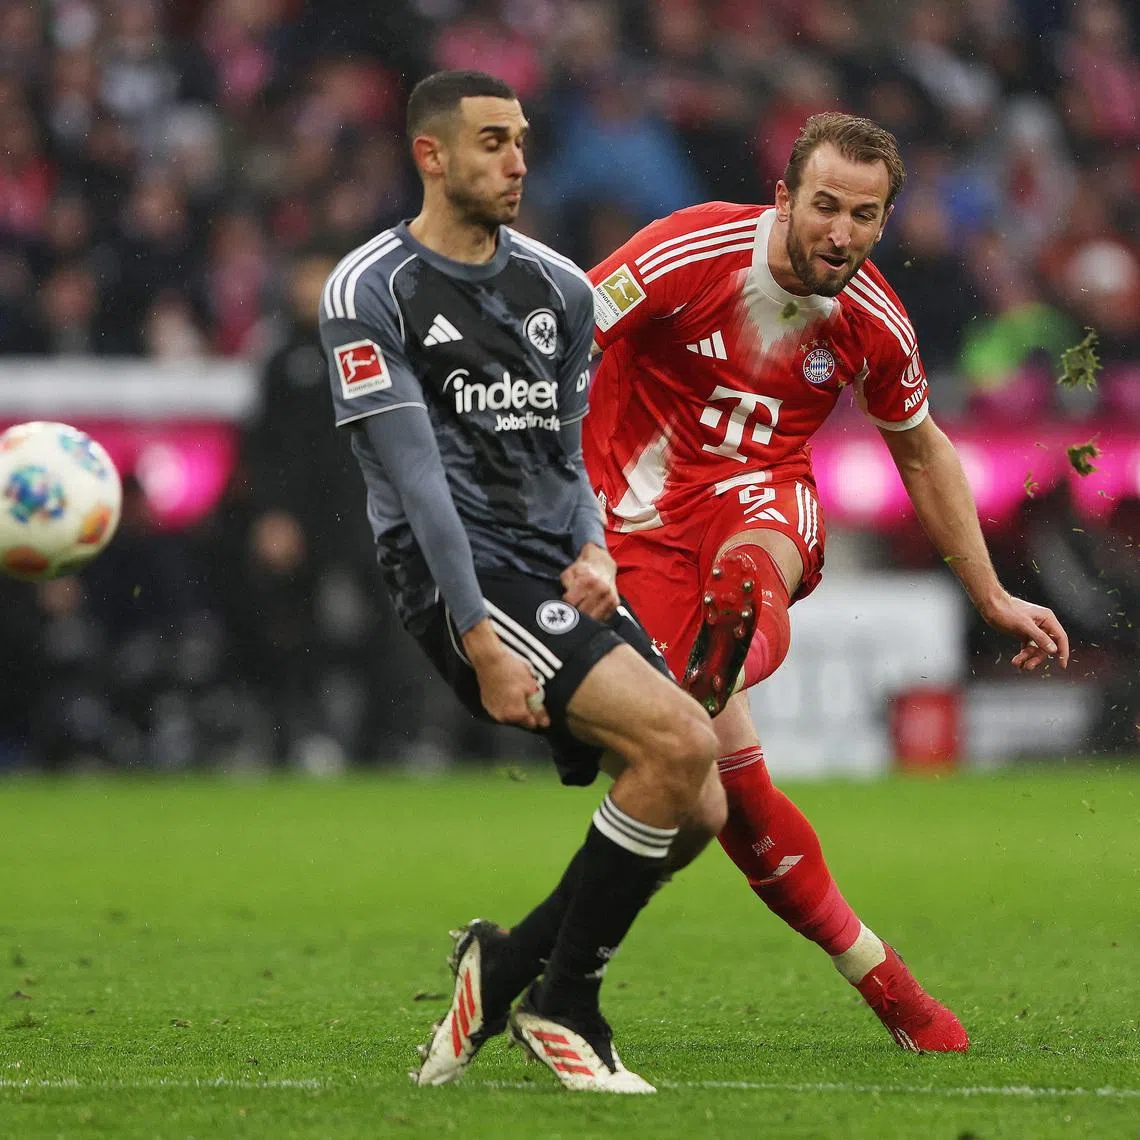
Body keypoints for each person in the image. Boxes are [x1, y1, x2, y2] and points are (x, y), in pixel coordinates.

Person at [581, 112, 1071, 1053]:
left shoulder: (873, 318)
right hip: (632, 531)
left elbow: (923, 455)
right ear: (785, 199)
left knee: (759, 561)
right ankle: (885, 986)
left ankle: (730, 650)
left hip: (760, 503)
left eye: (863, 214)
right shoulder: (686, 252)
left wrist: (993, 595)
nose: (840, 233)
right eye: (825, 208)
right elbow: (557, 345)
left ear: (885, 220)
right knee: (723, 800)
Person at [317, 70, 722, 1094]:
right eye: (493, 142)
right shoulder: (370, 290)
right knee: (679, 742)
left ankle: (505, 966)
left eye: (523, 141)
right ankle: (566, 1006)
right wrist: (479, 638)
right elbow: (418, 489)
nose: (517, 162)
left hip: (559, 566)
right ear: (431, 155)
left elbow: (571, 453)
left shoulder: (559, 289)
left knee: (702, 805)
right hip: (462, 571)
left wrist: (597, 548)